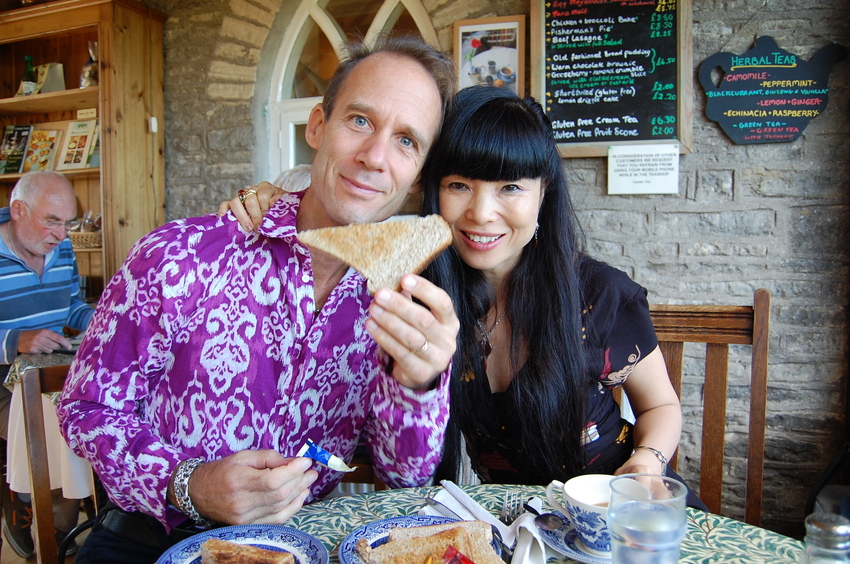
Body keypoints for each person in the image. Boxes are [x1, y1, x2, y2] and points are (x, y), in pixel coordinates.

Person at [56, 33, 459, 563]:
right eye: (359, 120)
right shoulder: (179, 255)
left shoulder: (398, 302)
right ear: (318, 126)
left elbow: (403, 476)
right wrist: (190, 485)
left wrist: (419, 383)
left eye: (407, 140)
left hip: (297, 547)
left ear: (418, 176)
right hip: (151, 536)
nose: (375, 156)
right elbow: (85, 409)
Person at [232, 86, 706, 507]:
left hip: (620, 511)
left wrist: (646, 462)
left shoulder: (597, 295)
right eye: (460, 185)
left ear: (543, 194)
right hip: (511, 526)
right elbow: (340, 190)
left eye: (511, 188)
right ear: (434, 191)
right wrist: (270, 196)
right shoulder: (421, 286)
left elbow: (660, 407)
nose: (481, 213)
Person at [0, 170, 95, 557]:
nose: (62, 234)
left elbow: (72, 305)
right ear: (18, 210)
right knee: (60, 430)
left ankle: (78, 517)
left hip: (54, 371)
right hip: (4, 378)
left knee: (99, 415)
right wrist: (14, 340)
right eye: (52, 221)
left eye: (69, 222)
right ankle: (38, 514)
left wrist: (108, 322)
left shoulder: (62, 247)